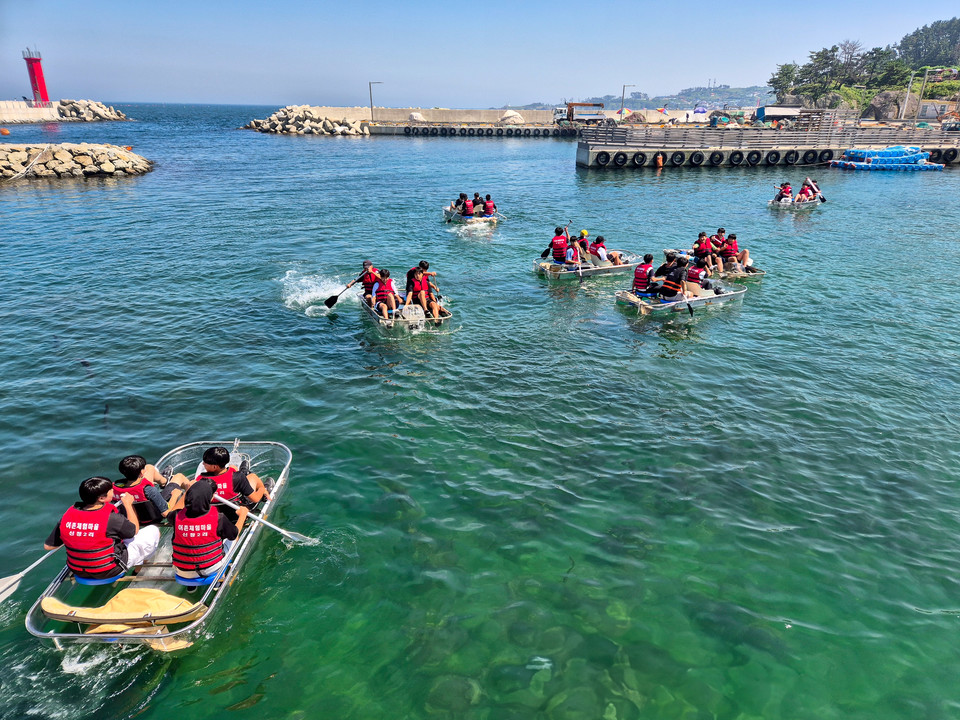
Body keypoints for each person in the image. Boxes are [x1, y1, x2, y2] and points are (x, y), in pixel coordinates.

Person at [44, 476, 161, 579]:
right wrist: (128, 505)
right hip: (109, 570)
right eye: (111, 489)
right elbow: (133, 531)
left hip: (78, 571)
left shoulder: (68, 516)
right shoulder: (111, 518)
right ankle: (139, 567)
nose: (113, 490)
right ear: (101, 498)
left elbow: (48, 546)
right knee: (153, 530)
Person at [171, 480, 247, 579]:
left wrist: (188, 492)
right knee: (231, 538)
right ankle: (221, 577)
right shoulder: (219, 518)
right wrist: (243, 515)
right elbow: (234, 534)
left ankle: (191, 585)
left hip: (180, 570)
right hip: (210, 569)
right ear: (210, 498)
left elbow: (171, 512)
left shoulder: (176, 515)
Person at [115, 455, 188, 519]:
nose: (145, 470)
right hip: (155, 516)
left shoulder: (115, 488)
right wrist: (175, 495)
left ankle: (165, 481)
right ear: (142, 472)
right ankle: (193, 496)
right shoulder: (149, 490)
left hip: (135, 516)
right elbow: (166, 513)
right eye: (143, 469)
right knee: (179, 476)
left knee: (149, 467)